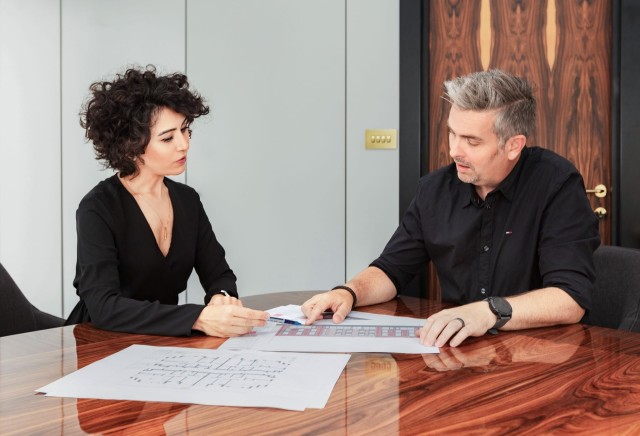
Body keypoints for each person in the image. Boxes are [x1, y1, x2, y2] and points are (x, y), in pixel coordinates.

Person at [302, 69, 600, 347]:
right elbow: (392, 270)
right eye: (452, 133)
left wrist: (487, 312)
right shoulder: (434, 190)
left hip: (542, 355)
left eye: (472, 141)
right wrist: (348, 292)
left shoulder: (556, 184)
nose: (455, 150)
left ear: (513, 145)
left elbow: (570, 298)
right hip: (462, 350)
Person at [66, 66, 269, 336]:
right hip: (100, 342)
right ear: (131, 146)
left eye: (185, 131)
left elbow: (219, 273)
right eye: (168, 137)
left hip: (162, 341)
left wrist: (221, 296)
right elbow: (105, 307)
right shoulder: (98, 208)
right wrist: (198, 318)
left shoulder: (187, 200)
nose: (183, 144)